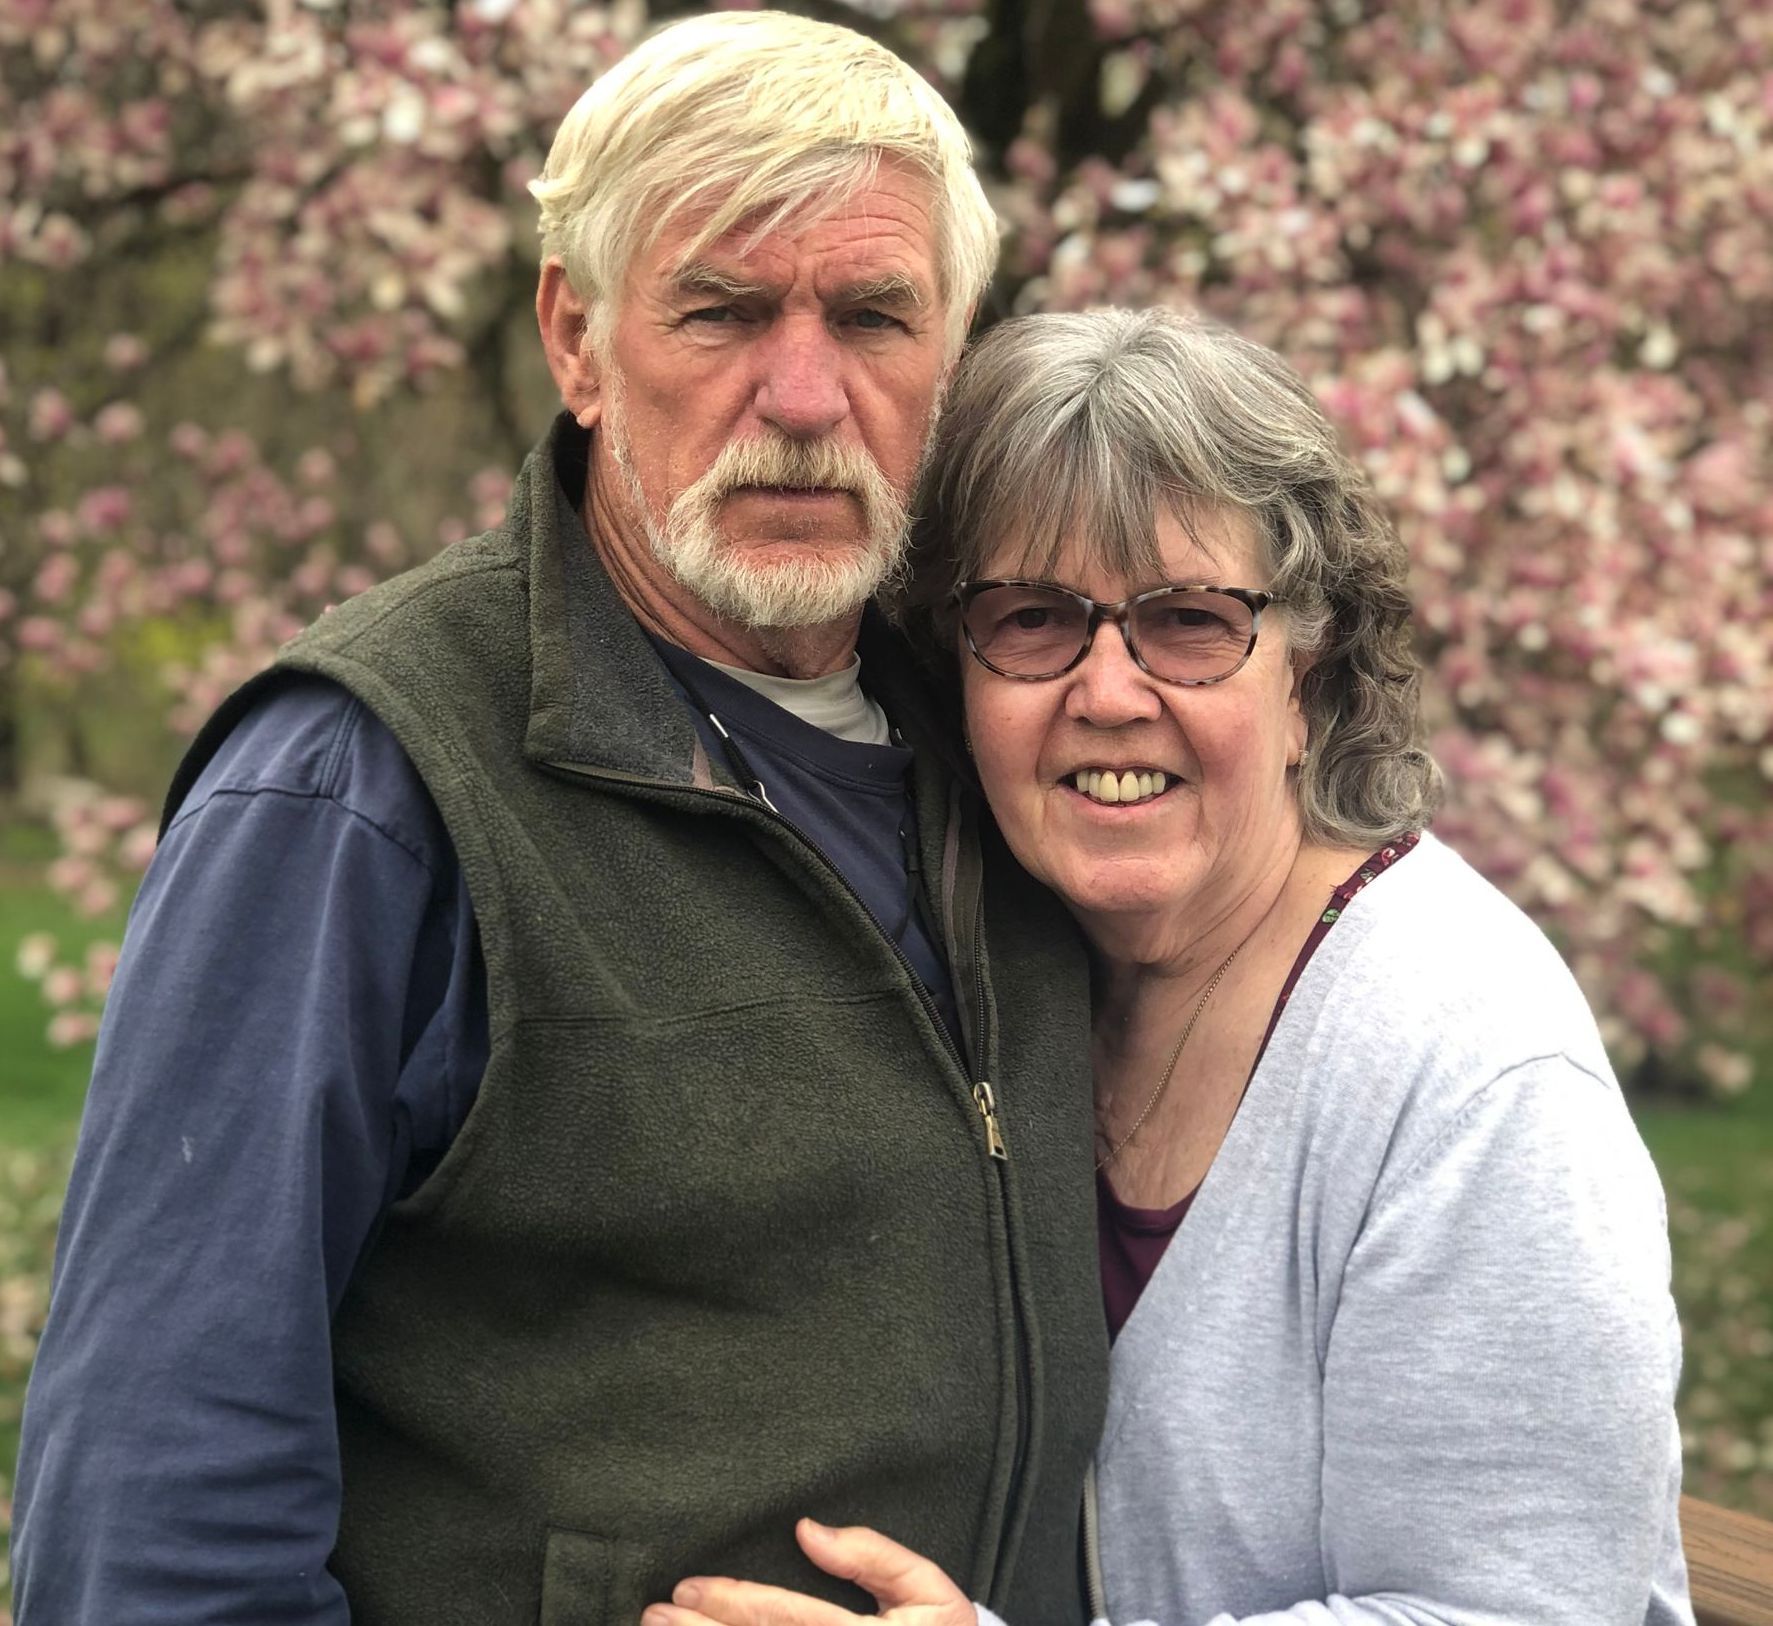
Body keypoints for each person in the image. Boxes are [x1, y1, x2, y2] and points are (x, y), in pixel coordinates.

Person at [10, 17, 1111, 1625]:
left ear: (951, 359)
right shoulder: (356, 789)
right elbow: (149, 1524)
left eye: (874, 316)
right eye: (721, 310)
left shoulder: (1019, 748)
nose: (803, 395)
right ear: (579, 340)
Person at [639, 308, 1694, 1626]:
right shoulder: (997, 981)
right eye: (1032, 620)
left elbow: (1521, 1611)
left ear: (1306, 677)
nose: (1108, 689)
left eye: (1188, 622)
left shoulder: (1467, 1065)